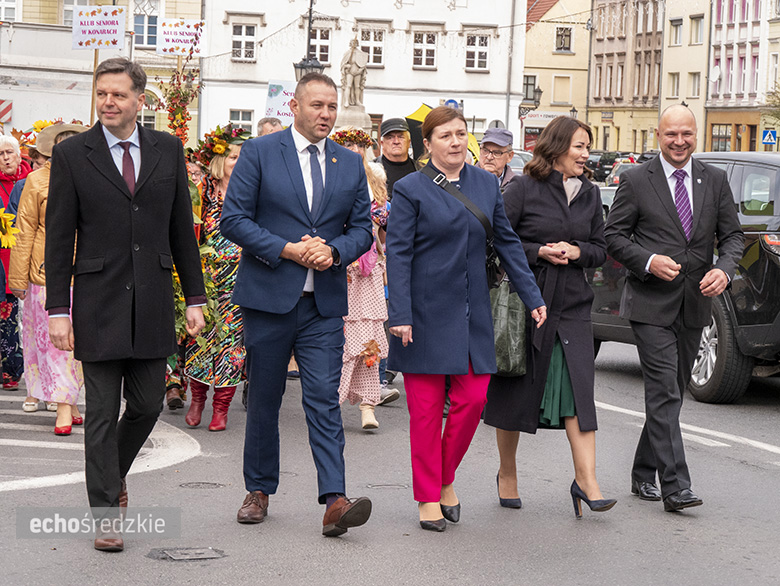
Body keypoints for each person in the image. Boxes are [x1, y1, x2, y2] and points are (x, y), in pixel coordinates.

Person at [45, 57, 206, 552]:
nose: (109, 102)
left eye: (118, 95)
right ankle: (105, 511)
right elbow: (58, 236)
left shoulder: (168, 148)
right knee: (98, 411)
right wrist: (57, 309)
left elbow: (182, 227)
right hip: (97, 299)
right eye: (102, 94)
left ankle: (111, 475)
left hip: (154, 298)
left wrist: (195, 296)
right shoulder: (74, 153)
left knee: (146, 404)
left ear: (140, 100)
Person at [220, 73, 374, 536]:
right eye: (317, 106)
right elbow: (234, 219)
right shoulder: (261, 153)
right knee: (265, 398)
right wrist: (287, 249)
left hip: (322, 304)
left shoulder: (349, 164)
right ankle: (259, 490)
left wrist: (335, 251)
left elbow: (362, 228)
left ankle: (335, 500)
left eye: (331, 107)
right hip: (269, 299)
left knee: (324, 401)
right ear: (296, 106)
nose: (325, 114)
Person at [386, 106, 547, 532]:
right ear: (429, 144)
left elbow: (508, 243)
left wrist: (532, 295)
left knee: (474, 399)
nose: (456, 141)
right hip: (421, 314)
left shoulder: (484, 183)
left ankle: (443, 477)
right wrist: (399, 312)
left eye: (461, 133)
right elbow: (398, 254)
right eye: (445, 136)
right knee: (423, 412)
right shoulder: (410, 189)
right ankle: (428, 497)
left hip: (473, 310)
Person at [604, 105, 743, 512]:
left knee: (672, 395)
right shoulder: (635, 180)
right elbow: (614, 235)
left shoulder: (714, 180)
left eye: (686, 134)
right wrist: (647, 260)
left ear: (695, 134)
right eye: (671, 135)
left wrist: (724, 269)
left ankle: (642, 471)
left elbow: (732, 236)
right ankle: (675, 486)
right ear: (658, 136)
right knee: (664, 390)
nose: (679, 142)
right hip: (649, 302)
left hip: (696, 302)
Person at [483, 117, 616, 519]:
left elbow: (600, 248)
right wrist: (538, 251)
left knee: (580, 390)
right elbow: (498, 239)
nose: (585, 154)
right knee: (516, 391)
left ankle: (587, 481)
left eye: (588, 147)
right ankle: (507, 473)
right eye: (579, 146)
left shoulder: (591, 193)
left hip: (574, 305)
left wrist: (577, 252)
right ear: (557, 147)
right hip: (529, 302)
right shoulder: (524, 188)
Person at [9, 124, 87, 430]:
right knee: (53, 342)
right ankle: (64, 408)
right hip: (45, 274)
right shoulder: (37, 180)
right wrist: (17, 279)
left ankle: (71, 398)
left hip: (85, 272)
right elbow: (24, 229)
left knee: (80, 342)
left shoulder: (91, 176)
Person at [184, 124, 250, 431]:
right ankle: (197, 398)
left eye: (242, 156)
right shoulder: (202, 192)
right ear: (219, 159)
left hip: (240, 279)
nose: (237, 161)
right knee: (200, 339)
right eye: (232, 155)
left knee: (231, 343)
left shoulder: (252, 191)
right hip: (205, 279)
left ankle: (221, 408)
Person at [330, 127, 390, 430]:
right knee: (340, 340)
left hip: (368, 269)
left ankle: (368, 405)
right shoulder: (330, 177)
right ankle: (333, 401)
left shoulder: (376, 179)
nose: (353, 149)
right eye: (346, 144)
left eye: (357, 144)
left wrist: (380, 220)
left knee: (370, 339)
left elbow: (384, 230)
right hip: (342, 265)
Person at [0, 135, 31, 391]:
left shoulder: (31, 182)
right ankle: (9, 368)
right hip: (2, 259)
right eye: (0, 155)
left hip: (28, 261)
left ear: (20, 155)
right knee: (6, 316)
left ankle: (21, 368)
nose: (5, 158)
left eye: (9, 152)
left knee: (26, 319)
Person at [376, 117, 416, 199]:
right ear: (382, 143)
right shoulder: (371, 171)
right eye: (390, 137)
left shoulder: (421, 170)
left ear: (409, 142)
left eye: (401, 137)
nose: (396, 142)